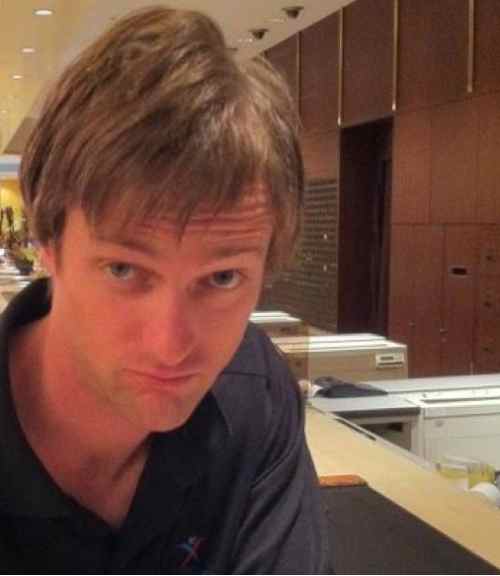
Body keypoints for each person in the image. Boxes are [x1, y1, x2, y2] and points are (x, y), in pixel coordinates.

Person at [0, 5, 330, 573]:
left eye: (222, 278)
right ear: (47, 243)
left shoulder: (254, 394)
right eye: (124, 270)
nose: (171, 345)